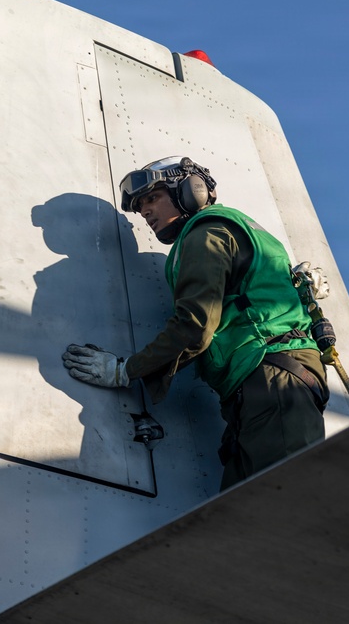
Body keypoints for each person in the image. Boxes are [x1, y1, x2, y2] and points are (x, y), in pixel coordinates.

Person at [62, 156, 327, 489]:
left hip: (271, 382)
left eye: (152, 198)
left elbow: (195, 326)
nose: (144, 212)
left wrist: (126, 370)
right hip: (258, 389)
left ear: (190, 190)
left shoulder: (207, 234)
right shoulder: (235, 231)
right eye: (141, 205)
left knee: (281, 510)